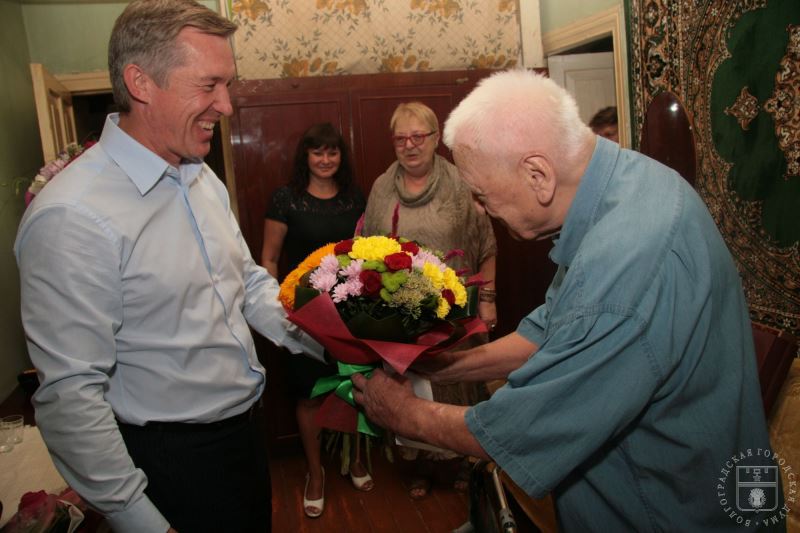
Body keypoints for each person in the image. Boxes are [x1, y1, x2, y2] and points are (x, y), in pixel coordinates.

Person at [352, 70, 779, 531]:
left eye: (482, 195)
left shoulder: (626, 258)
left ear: (538, 175)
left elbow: (524, 429)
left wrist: (402, 413)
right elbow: (553, 330)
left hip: (665, 511)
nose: (479, 209)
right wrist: (447, 367)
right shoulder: (624, 183)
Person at [14, 1, 321, 532]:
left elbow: (246, 283)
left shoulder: (200, 175)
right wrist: (142, 521)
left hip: (243, 439)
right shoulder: (72, 215)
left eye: (228, 84)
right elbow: (71, 396)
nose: (226, 105)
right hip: (169, 463)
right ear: (141, 82)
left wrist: (328, 340)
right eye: (209, 85)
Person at [362, 102, 498, 499]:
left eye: (418, 136)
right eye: (401, 138)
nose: (410, 145)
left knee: (457, 382)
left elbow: (487, 245)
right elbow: (366, 250)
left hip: (456, 312)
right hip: (401, 313)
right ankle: (418, 461)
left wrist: (488, 299)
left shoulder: (459, 183)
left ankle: (462, 460)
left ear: (436, 138)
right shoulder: (381, 188)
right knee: (412, 385)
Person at [261, 122, 370, 518]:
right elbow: (269, 258)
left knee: (354, 388)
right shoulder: (285, 199)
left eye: (332, 152)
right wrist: (279, 313)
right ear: (305, 156)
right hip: (303, 317)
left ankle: (356, 460)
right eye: (317, 152)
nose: (325, 159)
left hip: (350, 314)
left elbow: (365, 254)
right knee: (308, 396)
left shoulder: (355, 197)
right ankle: (316, 472)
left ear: (341, 156)